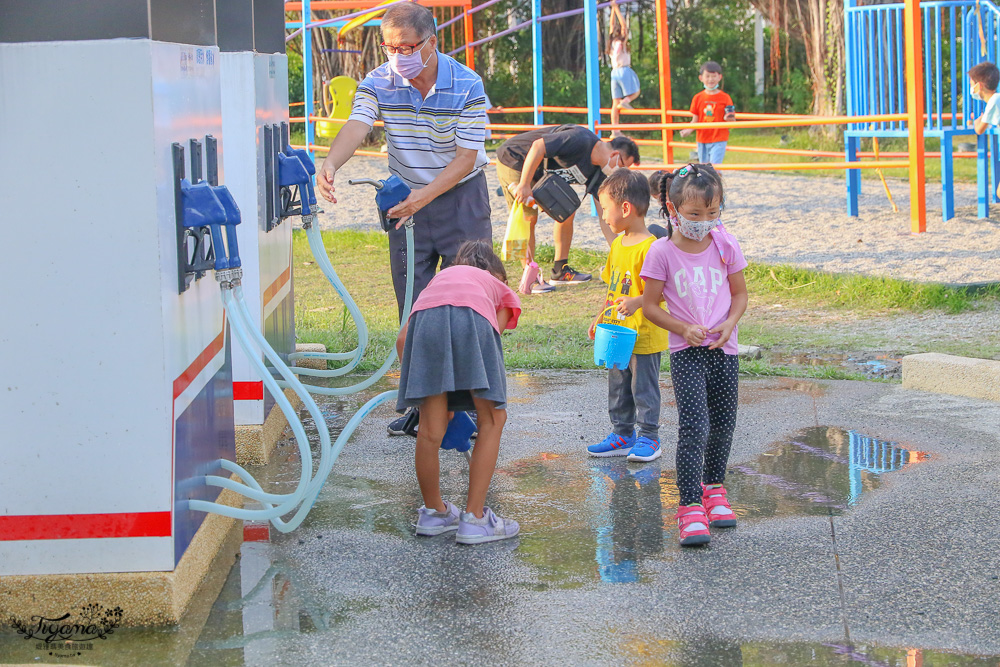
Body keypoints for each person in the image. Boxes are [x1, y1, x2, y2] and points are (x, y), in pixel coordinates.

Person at [314, 3, 492, 437]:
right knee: (413, 304)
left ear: (432, 43)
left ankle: (472, 406)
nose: (398, 56)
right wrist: (331, 163)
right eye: (390, 47)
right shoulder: (379, 80)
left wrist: (423, 198)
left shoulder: (466, 84)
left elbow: (466, 158)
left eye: (407, 47)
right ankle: (423, 406)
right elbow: (358, 125)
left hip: (460, 196)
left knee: (469, 303)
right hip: (406, 198)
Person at [639, 164, 748, 547]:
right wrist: (683, 328)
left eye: (713, 213)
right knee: (695, 428)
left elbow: (740, 295)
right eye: (695, 215)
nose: (705, 222)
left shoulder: (725, 243)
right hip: (687, 352)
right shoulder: (661, 252)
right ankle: (688, 506)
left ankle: (714, 489)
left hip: (723, 349)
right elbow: (651, 306)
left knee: (723, 424)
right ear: (673, 209)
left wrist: (730, 323)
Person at [394, 240, 521, 544]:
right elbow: (488, 337)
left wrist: (429, 397)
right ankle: (475, 519)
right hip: (472, 320)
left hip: (425, 320)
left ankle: (434, 514)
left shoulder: (439, 281)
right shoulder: (496, 287)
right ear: (498, 275)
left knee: (429, 430)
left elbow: (403, 340)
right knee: (493, 420)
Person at [586, 169, 669, 463]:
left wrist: (637, 301)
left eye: (605, 208)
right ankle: (622, 433)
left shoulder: (652, 248)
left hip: (645, 333)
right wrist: (600, 317)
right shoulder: (618, 245)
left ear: (626, 208)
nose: (604, 216)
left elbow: (662, 291)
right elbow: (611, 288)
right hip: (618, 331)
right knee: (619, 385)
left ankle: (649, 437)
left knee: (643, 387)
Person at [495, 126, 640, 293]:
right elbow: (538, 146)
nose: (619, 172)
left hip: (542, 174)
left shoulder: (598, 173)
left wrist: (619, 253)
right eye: (622, 166)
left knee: (567, 211)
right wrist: (524, 184)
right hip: (516, 159)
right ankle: (530, 278)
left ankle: (560, 271)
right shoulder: (579, 139)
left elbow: (605, 217)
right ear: (615, 155)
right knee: (528, 217)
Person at [679, 62, 736, 164]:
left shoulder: (725, 98)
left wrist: (730, 118)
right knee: (704, 169)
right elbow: (695, 120)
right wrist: (688, 130)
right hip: (702, 139)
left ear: (720, 77)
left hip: (719, 138)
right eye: (708, 76)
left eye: (714, 76)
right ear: (701, 78)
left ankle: (717, 179)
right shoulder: (698, 98)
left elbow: (731, 117)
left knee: (714, 167)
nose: (711, 79)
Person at [608, 2, 640, 138]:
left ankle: (615, 131)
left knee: (614, 104)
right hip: (624, 70)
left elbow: (611, 26)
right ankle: (625, 102)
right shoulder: (622, 42)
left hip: (614, 73)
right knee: (636, 91)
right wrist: (616, 7)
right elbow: (624, 26)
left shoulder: (610, 43)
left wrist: (612, 10)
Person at [969, 61, 1000, 197]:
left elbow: (979, 129)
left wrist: (977, 121)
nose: (971, 87)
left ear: (979, 86)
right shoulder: (996, 100)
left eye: (971, 84)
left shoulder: (994, 100)